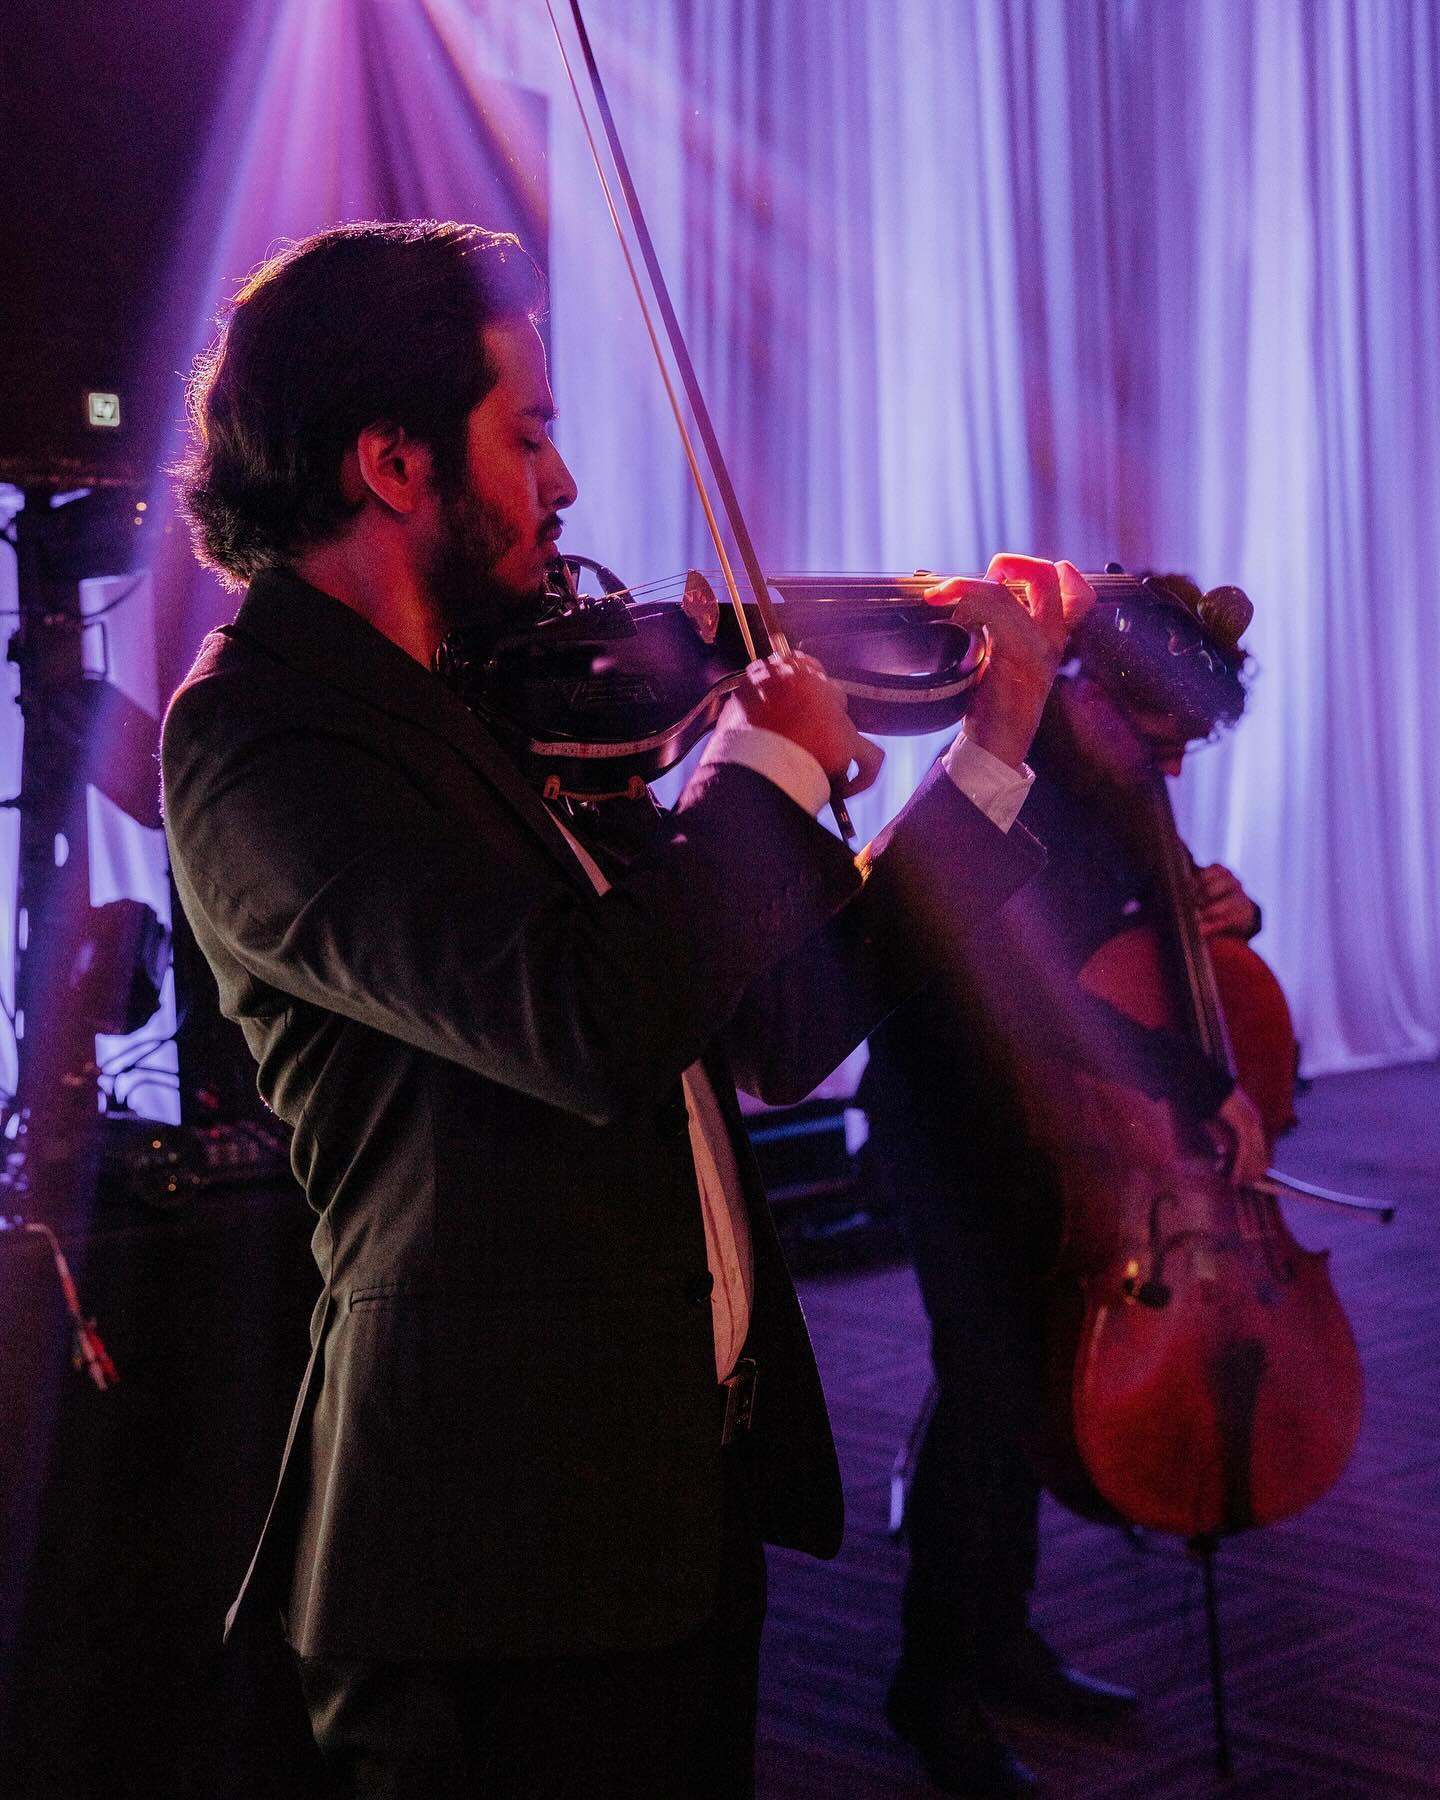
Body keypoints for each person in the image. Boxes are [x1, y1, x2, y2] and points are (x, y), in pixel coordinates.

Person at [161, 218, 1095, 1799]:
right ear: (393, 463)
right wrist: (763, 766)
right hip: (489, 1565)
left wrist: (989, 750)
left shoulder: (491, 704)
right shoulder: (262, 739)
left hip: (660, 1509)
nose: (568, 484)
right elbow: (583, 1022)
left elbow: (777, 1026)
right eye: (527, 435)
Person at [863, 580, 1270, 1799]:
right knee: (987, 1384)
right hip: (950, 1111)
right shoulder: (1022, 773)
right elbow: (1025, 995)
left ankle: (1002, 1639)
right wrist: (1202, 1083)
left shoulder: (1117, 788)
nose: (1173, 768)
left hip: (1052, 1129)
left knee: (1026, 1381)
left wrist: (1231, 910)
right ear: (1096, 694)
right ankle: (932, 1686)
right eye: (1162, 737)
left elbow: (1154, 935)